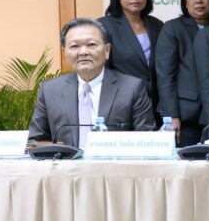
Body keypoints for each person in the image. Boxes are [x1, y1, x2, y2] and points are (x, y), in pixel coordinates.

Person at [29, 18, 155, 148]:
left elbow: (147, 140)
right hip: (65, 161)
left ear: (107, 50)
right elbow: (34, 142)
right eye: (74, 46)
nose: (83, 52)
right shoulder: (50, 90)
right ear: (64, 53)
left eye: (91, 45)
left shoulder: (132, 88)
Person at [154, 0, 209, 147]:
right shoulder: (173, 28)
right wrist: (171, 116)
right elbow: (165, 75)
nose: (198, 0)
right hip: (185, 116)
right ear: (185, 2)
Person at [98, 0, 163, 105]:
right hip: (121, 101)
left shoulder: (157, 25)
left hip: (155, 102)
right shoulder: (104, 26)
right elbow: (101, 70)